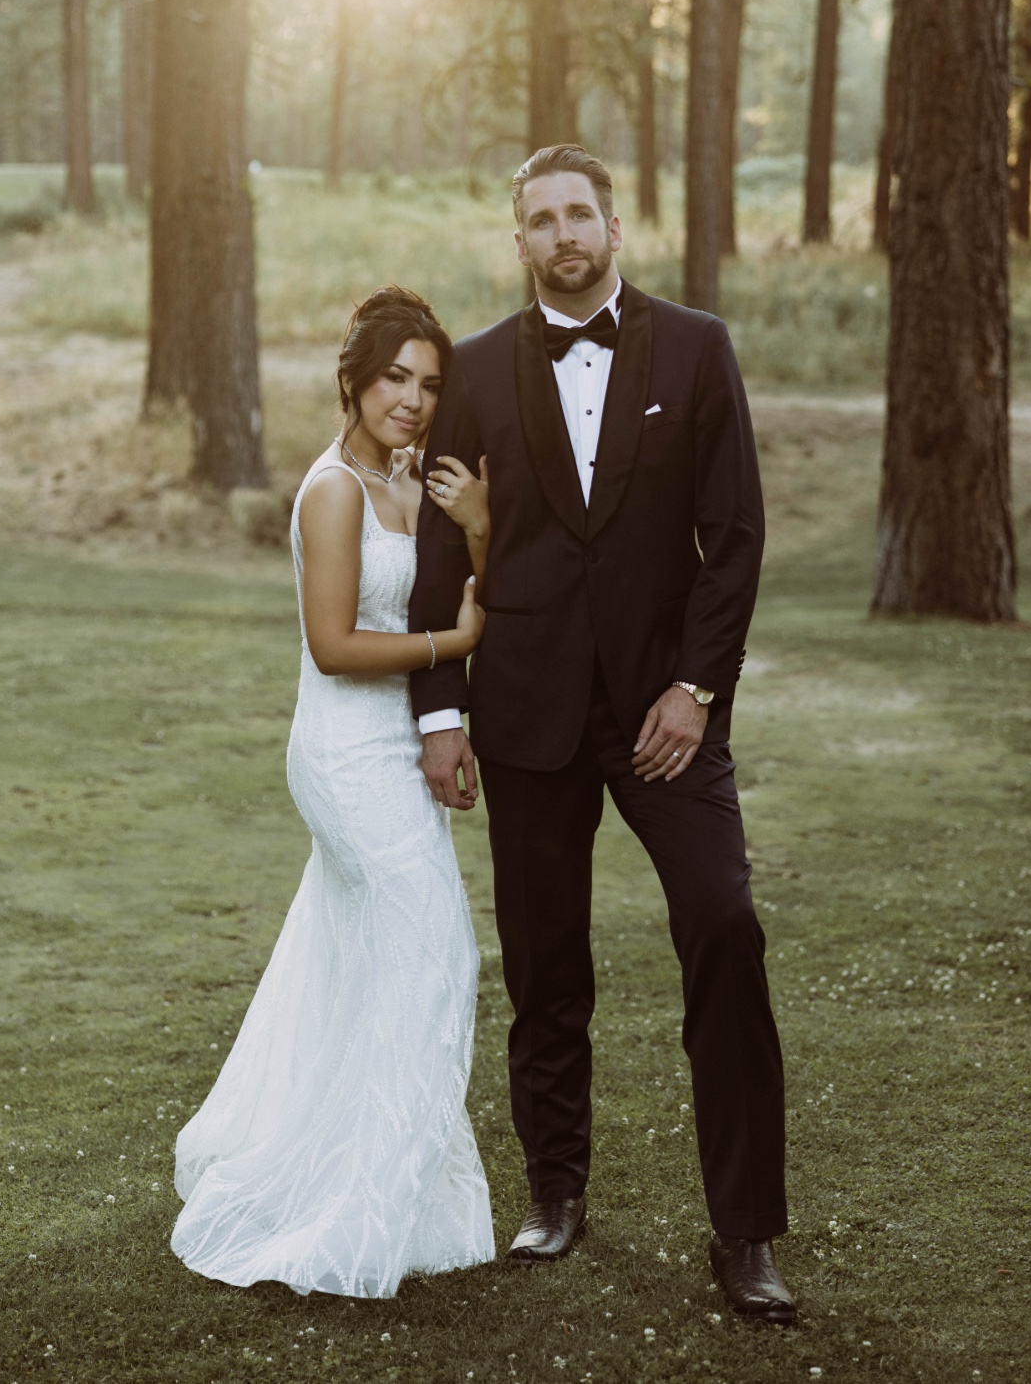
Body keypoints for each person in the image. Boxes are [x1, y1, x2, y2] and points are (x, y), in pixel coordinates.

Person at [409, 145, 796, 1324]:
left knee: (724, 930)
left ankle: (746, 1234)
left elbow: (732, 537)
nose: (564, 232)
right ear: (519, 241)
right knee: (544, 965)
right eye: (541, 219)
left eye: (581, 212)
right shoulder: (473, 371)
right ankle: (555, 1192)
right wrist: (441, 712)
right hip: (526, 708)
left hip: (663, 713)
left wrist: (697, 690)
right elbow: (442, 546)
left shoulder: (696, 347)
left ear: (616, 226)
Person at [172, 286, 495, 1298]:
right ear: (354, 381)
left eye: (430, 383)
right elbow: (336, 644)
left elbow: (465, 583)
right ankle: (357, 1202)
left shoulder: (405, 480)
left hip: (396, 746)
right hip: (347, 755)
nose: (412, 397)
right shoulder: (333, 491)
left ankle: (381, 1183)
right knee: (431, 949)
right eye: (395, 376)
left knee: (371, 967)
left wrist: (479, 533)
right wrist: (458, 644)